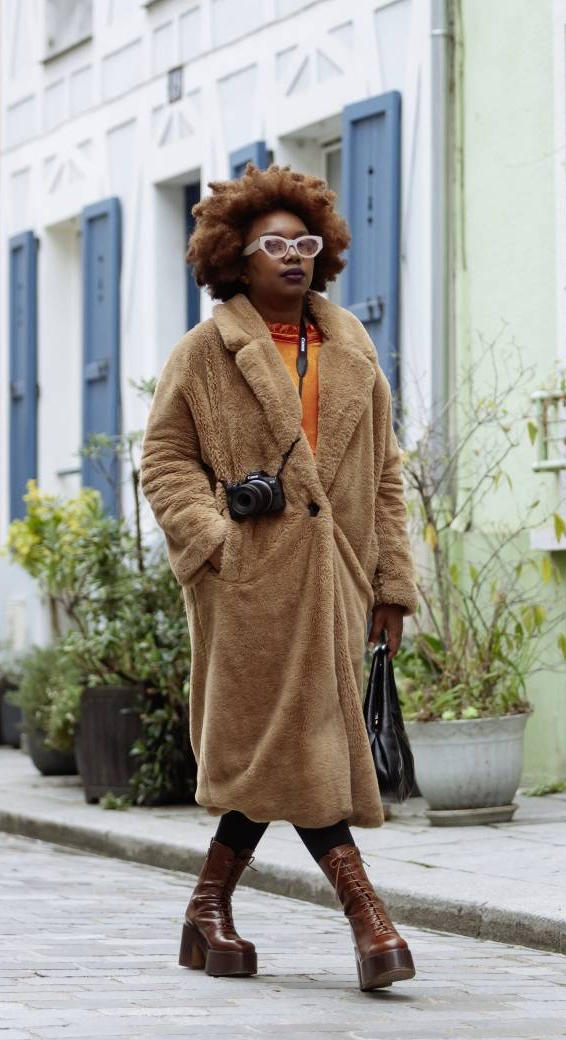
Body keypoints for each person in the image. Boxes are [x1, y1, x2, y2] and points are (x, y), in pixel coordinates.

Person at [140, 165, 419, 991]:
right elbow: (162, 461)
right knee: (296, 744)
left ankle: (208, 908)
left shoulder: (353, 349)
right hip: (249, 588)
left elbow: (385, 476)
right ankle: (371, 923)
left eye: (305, 243)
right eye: (274, 246)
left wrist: (392, 585)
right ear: (236, 256)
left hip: (335, 581)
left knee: (290, 749)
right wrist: (216, 542)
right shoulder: (203, 353)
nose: (293, 258)